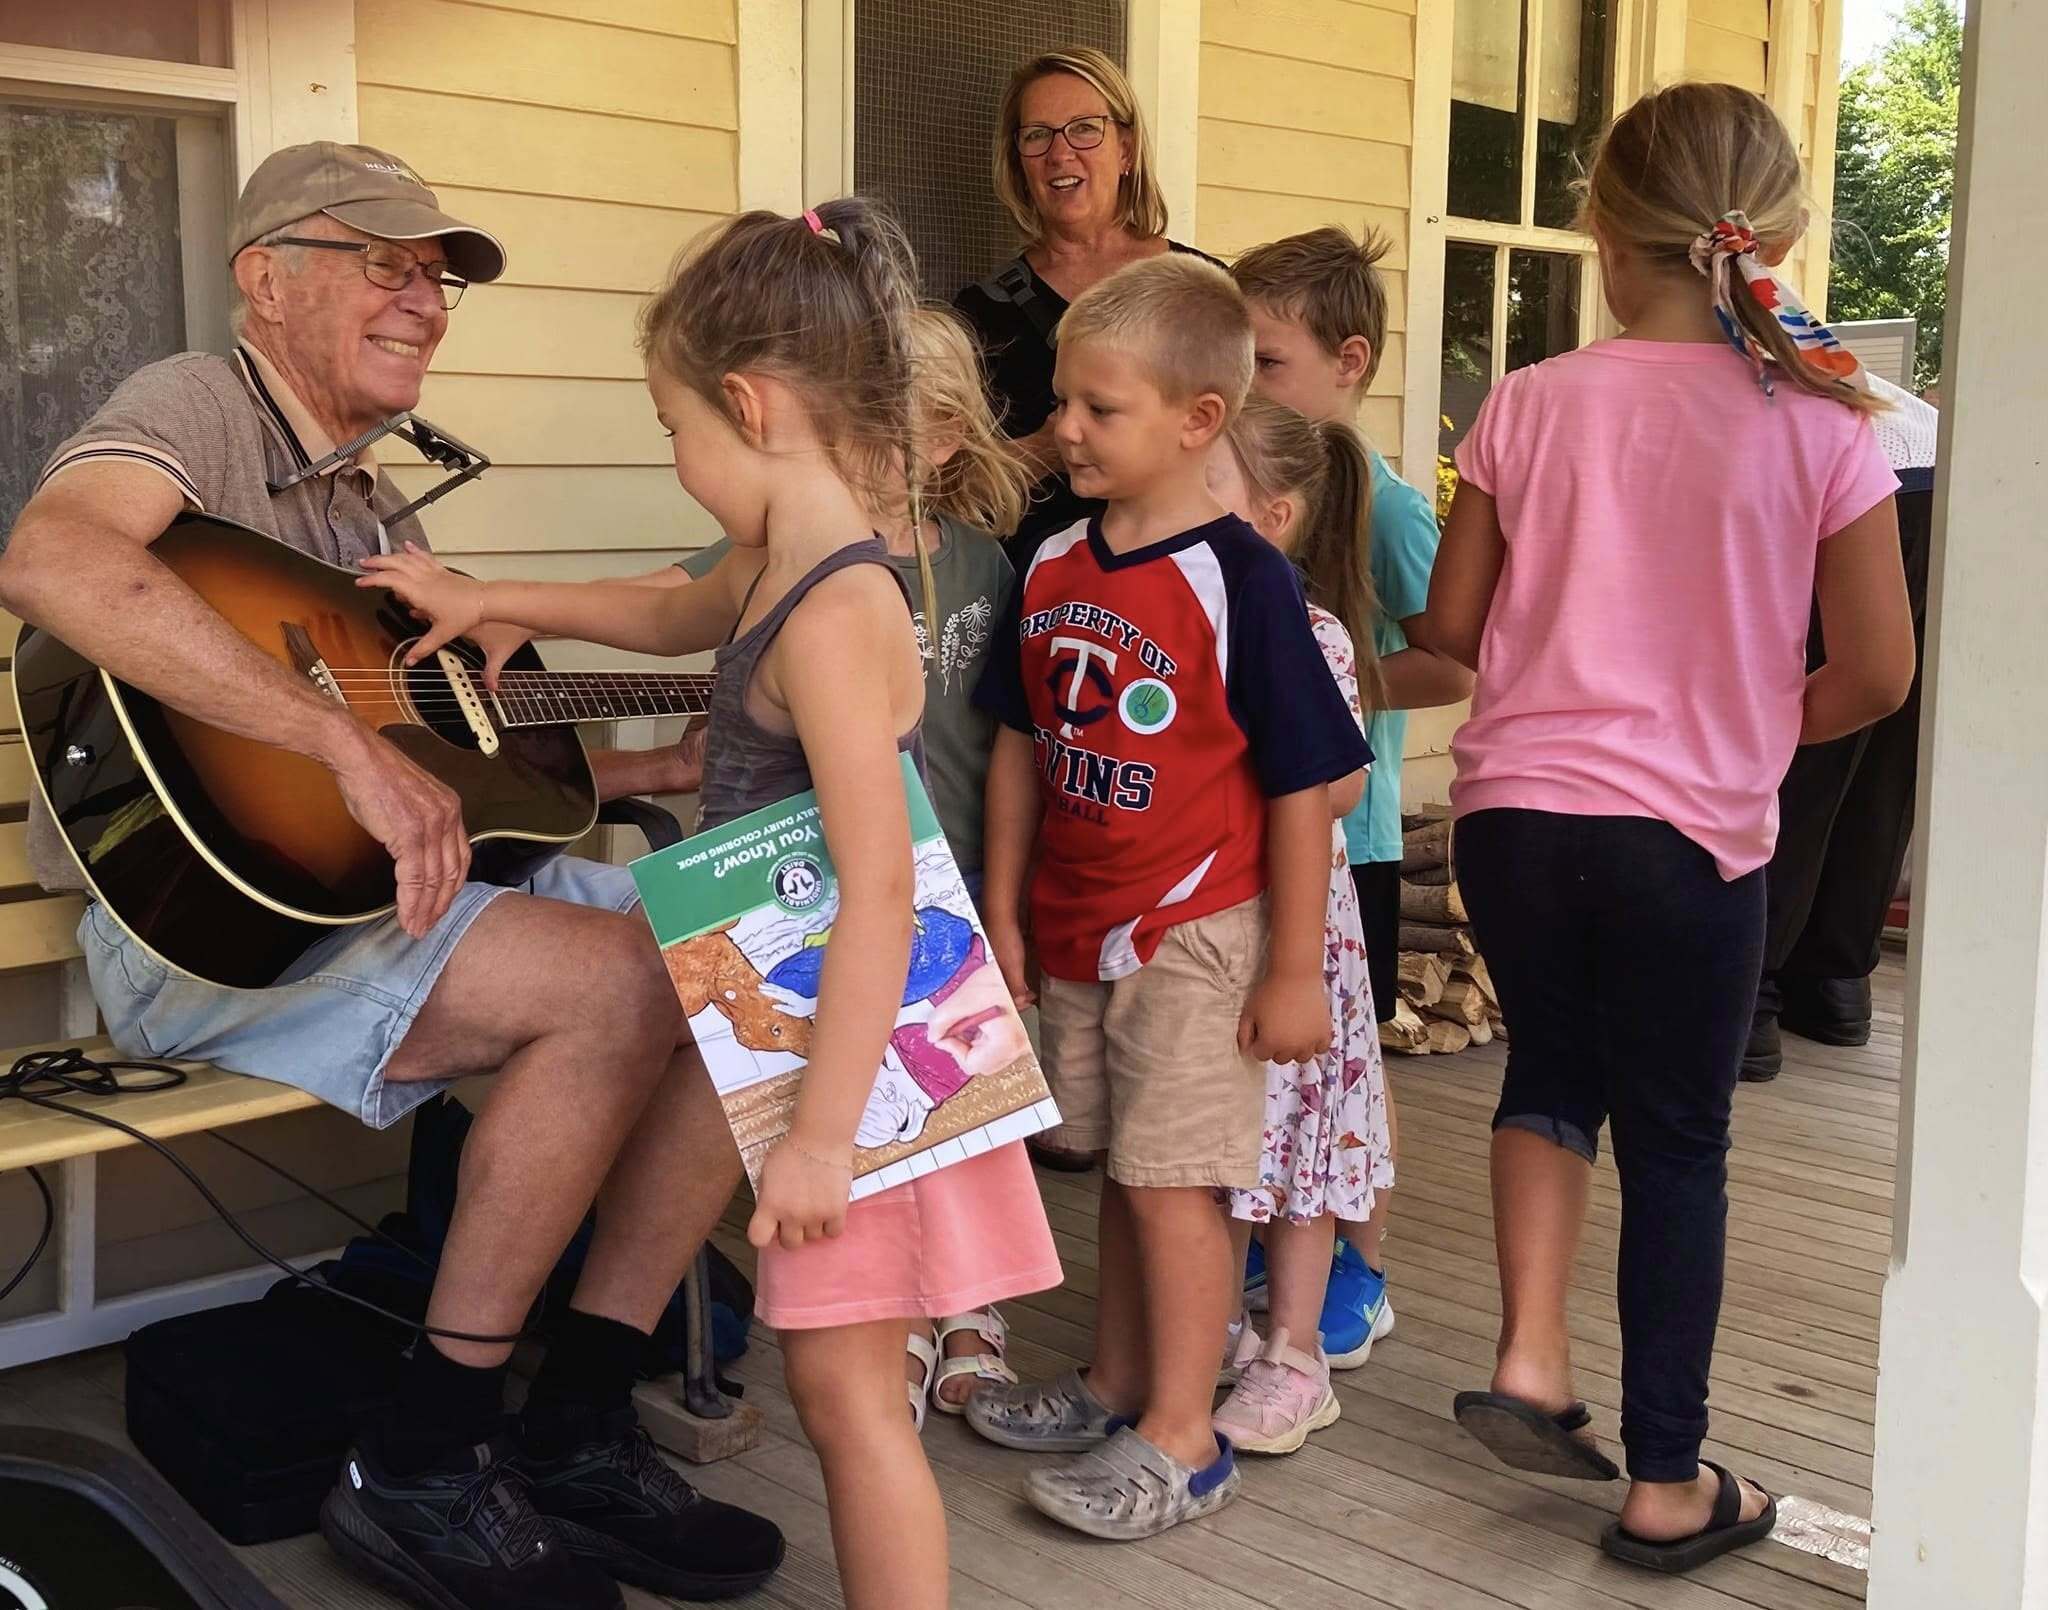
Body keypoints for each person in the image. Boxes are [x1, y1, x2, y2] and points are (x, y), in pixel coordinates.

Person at [0, 141, 780, 1610]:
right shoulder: (195, 404)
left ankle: (578, 1419)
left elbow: (456, 781)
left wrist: (643, 775)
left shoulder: (373, 508)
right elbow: (52, 561)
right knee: (622, 983)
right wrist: (334, 745)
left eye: (440, 277)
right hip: (210, 933)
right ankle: (422, 1460)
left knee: (748, 944)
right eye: (388, 263)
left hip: (371, 899)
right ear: (266, 277)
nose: (426, 299)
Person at [362, 197, 1062, 1610]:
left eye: (676, 429)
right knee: (842, 1387)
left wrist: (816, 1139)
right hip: (824, 1036)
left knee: (852, 1399)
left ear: (750, 403)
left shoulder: (832, 609)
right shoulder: (786, 563)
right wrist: (496, 592)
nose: (676, 460)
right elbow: (673, 612)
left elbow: (877, 894)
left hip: (869, 1072)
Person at [1413, 83, 1914, 1573]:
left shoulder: (1528, 401)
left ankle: (1524, 1357)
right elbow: (1879, 669)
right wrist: (1753, 727)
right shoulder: (1825, 425)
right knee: (1681, 1141)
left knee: (1552, 1078)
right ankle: (1668, 1479)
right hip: (1689, 837)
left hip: (1513, 816)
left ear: (1600, 230)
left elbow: (1452, 628)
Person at [965, 254, 1369, 1539]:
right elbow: (1023, 738)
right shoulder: (1049, 564)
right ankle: (1120, 1382)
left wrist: (1294, 965)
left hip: (1201, 927)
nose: (1065, 429)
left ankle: (1184, 1440)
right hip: (1082, 917)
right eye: (1063, 403)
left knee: (1174, 1181)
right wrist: (1006, 902)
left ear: (1198, 420)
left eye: (1098, 408)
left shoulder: (1241, 579)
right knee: (1126, 1169)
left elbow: (1305, 783)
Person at [669, 306, 1040, 1419]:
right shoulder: (780, 565)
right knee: (875, 1139)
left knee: (936, 1114)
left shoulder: (971, 564)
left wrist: (1006, 906)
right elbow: (675, 601)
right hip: (817, 904)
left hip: (928, 890)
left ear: (941, 443)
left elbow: (1006, 737)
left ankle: (962, 1309)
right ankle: (900, 1326)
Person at [1230, 226, 1473, 1360]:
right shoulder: (1235, 490)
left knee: (1344, 1069)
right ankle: (1278, 1238)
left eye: (1266, 363)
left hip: (1354, 836)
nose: (1242, 383)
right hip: (1250, 831)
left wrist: (1322, 692)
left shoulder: (1379, 503)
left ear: (1349, 360)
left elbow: (1455, 659)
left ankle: (1359, 1267)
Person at [1205, 396, 1393, 1455]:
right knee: (1225, 1141)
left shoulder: (1305, 633)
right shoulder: (1177, 619)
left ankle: (1291, 1351)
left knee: (1299, 1147)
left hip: (1292, 937)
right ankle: (1217, 1330)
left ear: (1270, 516)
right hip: (1207, 930)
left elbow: (1331, 780)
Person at [954, 46, 1219, 568]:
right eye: (1037, 135)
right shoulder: (983, 312)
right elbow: (956, 492)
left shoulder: (1201, 289)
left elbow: (1249, 450)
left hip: (1181, 593)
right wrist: (1046, 448)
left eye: (1084, 128)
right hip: (1038, 603)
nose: (1059, 153)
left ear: (1125, 149)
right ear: (1018, 162)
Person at [1743, 372, 1938, 1079]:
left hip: (1847, 478)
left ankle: (1750, 999)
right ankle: (1835, 982)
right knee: (1883, 754)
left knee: (1802, 749)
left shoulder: (1737, 343)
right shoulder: (1807, 346)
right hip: (1932, 472)